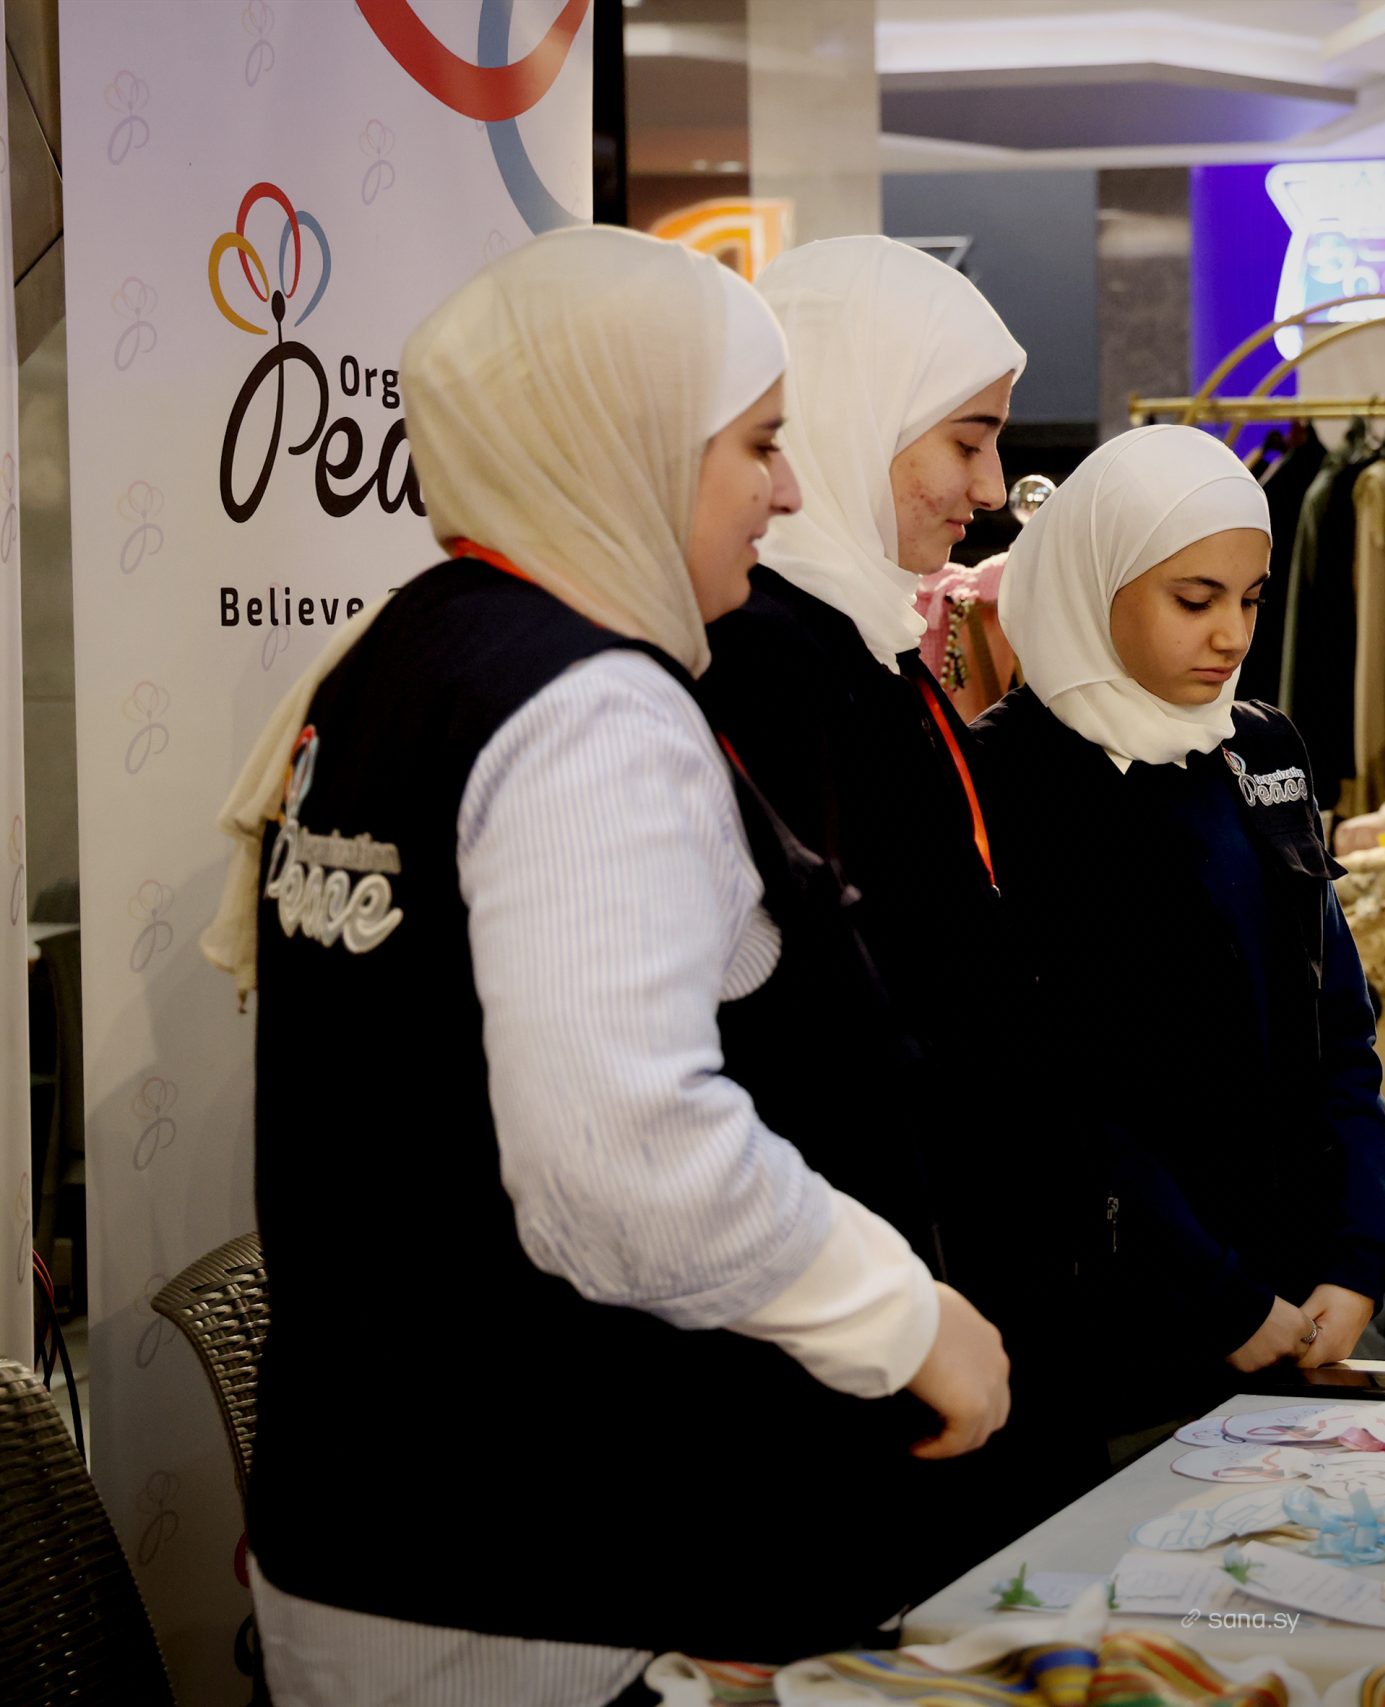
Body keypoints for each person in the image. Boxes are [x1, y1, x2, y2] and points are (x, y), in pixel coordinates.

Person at [219, 227, 1011, 1702]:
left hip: (390, 1525)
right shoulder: (584, 706)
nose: (787, 489)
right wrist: (903, 1317)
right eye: (757, 445)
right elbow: (621, 1158)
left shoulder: (407, 655)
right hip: (536, 1565)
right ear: (630, 438)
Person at [690, 238, 1088, 1495]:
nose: (989, 487)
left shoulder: (859, 641)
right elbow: (812, 1025)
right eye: (966, 440)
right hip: (865, 1312)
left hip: (940, 1267)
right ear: (855, 411)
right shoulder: (765, 662)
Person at [973, 424, 1385, 1439]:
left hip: (1301, 1301)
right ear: (1097, 583)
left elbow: (1339, 1026)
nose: (1232, 636)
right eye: (1194, 600)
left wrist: (1359, 1254)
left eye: (1250, 599)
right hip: (1115, 1324)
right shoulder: (1010, 776)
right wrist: (1220, 1296)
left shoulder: (1260, 748)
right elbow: (1050, 1090)